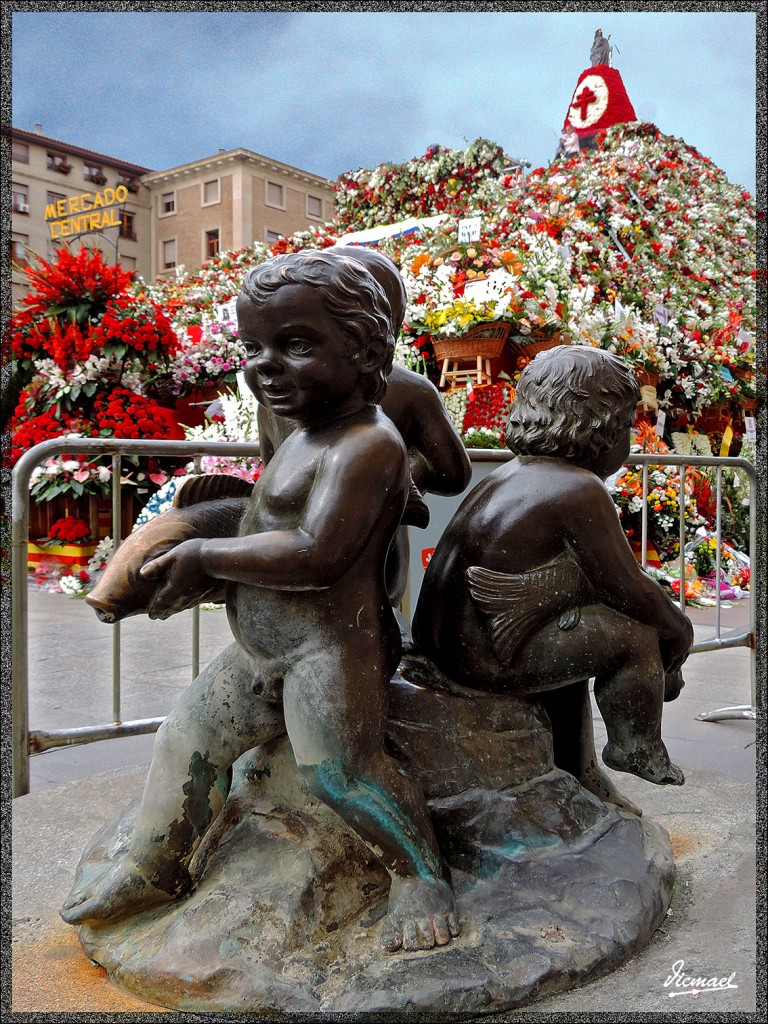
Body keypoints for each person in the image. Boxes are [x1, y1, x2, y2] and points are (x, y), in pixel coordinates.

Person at [61, 249, 459, 953]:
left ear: (368, 353)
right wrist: (196, 562)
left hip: (330, 650)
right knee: (185, 738)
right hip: (262, 646)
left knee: (341, 774)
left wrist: (205, 557)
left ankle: (421, 875)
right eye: (253, 348)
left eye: (296, 346)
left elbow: (314, 552)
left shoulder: (367, 445)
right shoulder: (302, 431)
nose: (265, 367)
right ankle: (155, 863)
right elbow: (263, 523)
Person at [412, 346, 692, 789]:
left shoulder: (511, 474)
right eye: (626, 426)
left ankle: (576, 768)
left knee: (585, 633)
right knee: (633, 636)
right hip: (480, 656)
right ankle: (636, 746)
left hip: (450, 643)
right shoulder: (577, 489)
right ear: (603, 429)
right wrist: (678, 631)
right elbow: (627, 588)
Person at [257, 244, 472, 606]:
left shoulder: (278, 388)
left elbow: (453, 471)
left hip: (301, 548)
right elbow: (452, 472)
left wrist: (392, 479)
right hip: (358, 553)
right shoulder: (409, 388)